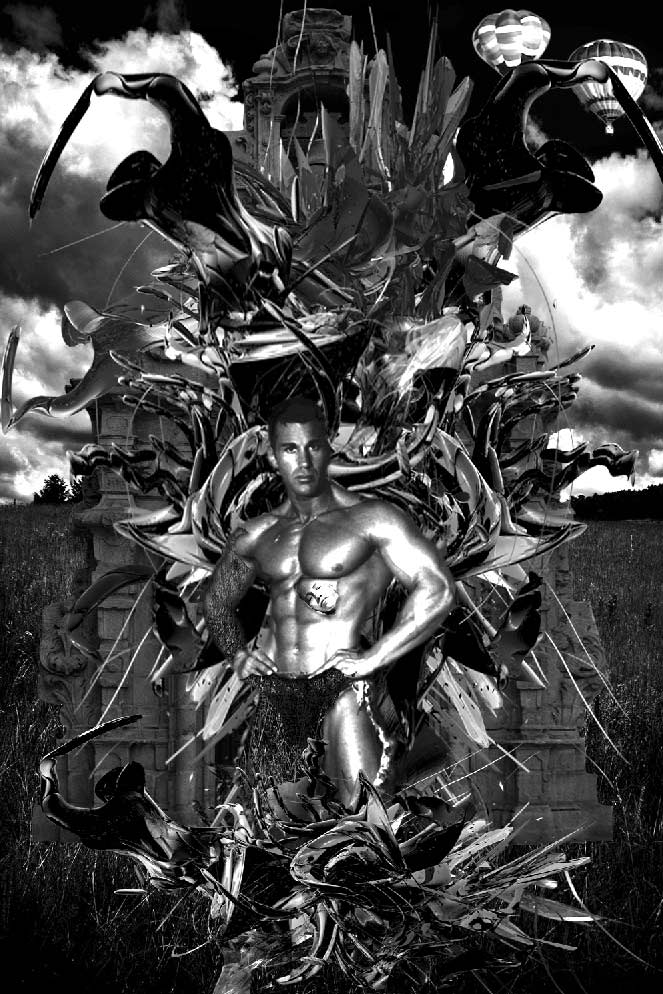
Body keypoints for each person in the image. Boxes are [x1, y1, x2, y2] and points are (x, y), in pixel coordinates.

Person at [203, 396, 456, 805]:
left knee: (363, 816)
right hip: (278, 694)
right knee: (276, 824)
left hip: (341, 689)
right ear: (273, 457)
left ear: (328, 449)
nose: (303, 462)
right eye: (290, 449)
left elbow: (437, 589)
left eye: (313, 447)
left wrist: (374, 657)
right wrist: (238, 655)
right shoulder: (257, 533)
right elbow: (217, 603)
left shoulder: (370, 519)